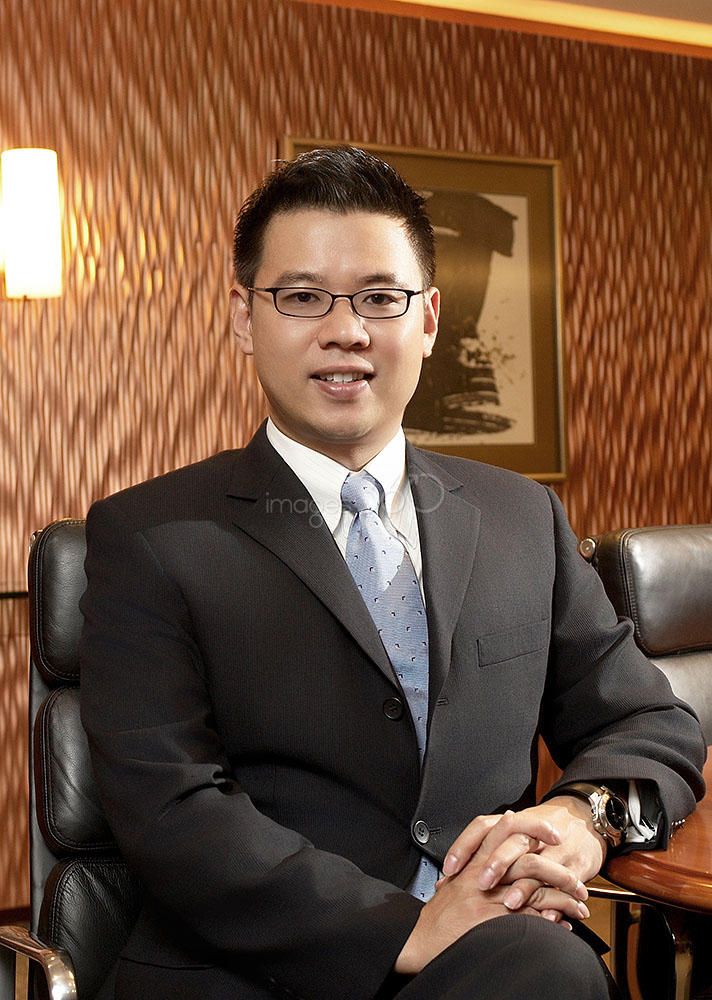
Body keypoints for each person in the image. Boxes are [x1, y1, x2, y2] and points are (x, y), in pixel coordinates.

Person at [80, 146, 706, 1000]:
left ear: (430, 319)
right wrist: (406, 927)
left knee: (545, 968)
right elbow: (171, 809)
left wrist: (581, 818)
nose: (347, 330)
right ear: (242, 317)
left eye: (381, 298)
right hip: (257, 975)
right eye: (303, 297)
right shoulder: (149, 536)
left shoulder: (522, 517)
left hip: (494, 963)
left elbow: (650, 721)